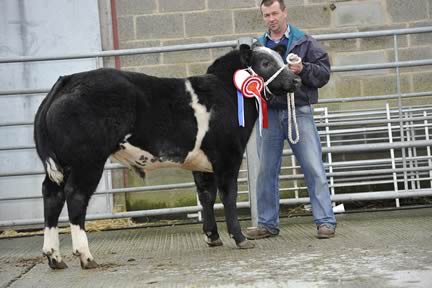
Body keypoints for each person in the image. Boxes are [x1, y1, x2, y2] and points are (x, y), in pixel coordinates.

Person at [245, 0, 336, 240]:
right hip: (270, 113)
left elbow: (324, 73)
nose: (271, 18)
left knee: (313, 167)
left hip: (299, 111)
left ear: (284, 12)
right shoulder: (258, 46)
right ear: (263, 17)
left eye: (275, 13)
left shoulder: (305, 41)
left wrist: (303, 69)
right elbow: (249, 79)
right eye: (266, 15)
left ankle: (325, 221)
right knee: (265, 171)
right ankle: (266, 224)